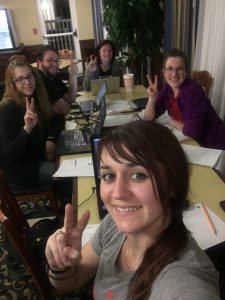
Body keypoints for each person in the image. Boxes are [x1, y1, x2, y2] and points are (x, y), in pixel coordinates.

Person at [45, 120, 220, 299]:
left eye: (138, 175)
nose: (118, 193)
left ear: (172, 184)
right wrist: (61, 266)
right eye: (108, 175)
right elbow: (72, 280)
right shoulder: (113, 226)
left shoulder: (183, 283)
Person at [0, 60, 72, 207]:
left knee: (70, 157)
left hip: (38, 157)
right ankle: (68, 211)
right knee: (70, 174)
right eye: (20, 79)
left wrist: (50, 139)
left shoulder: (34, 97)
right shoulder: (10, 108)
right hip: (24, 171)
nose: (27, 82)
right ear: (12, 83)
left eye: (29, 76)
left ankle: (62, 199)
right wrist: (27, 129)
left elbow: (57, 118)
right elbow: (11, 153)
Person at [144, 48, 225, 150]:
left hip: (214, 146)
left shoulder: (192, 91)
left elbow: (194, 131)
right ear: (164, 72)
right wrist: (152, 98)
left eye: (180, 68)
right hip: (193, 141)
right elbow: (148, 117)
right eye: (169, 68)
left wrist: (173, 122)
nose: (174, 74)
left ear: (186, 71)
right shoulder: (168, 88)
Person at [37, 45, 78, 115]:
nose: (54, 64)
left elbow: (70, 98)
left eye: (56, 61)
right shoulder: (41, 79)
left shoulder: (51, 75)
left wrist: (73, 75)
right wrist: (66, 103)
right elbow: (64, 109)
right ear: (39, 62)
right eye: (49, 60)